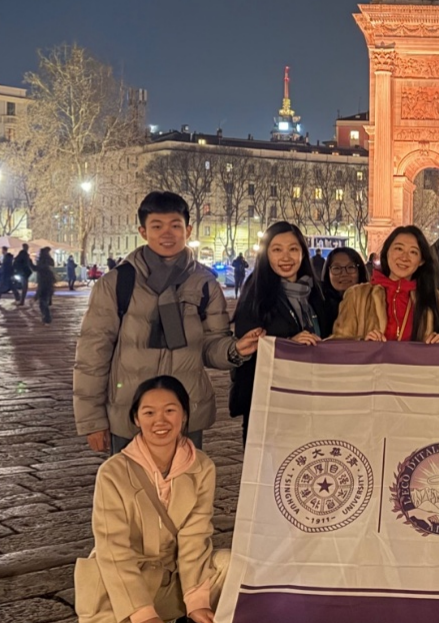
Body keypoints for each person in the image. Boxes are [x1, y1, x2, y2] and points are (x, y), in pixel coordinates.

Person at [74, 375, 241, 623]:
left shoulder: (202, 467)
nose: (160, 421)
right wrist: (141, 612)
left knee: (233, 564)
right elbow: (113, 549)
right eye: (149, 412)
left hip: (173, 576)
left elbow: (195, 537)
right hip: (124, 582)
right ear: (136, 419)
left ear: (184, 415)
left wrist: (197, 602)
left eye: (170, 410)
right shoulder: (113, 472)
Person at [74, 191, 264, 455]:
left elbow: (210, 345)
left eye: (175, 226)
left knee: (186, 481)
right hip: (131, 412)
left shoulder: (205, 284)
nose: (167, 234)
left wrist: (235, 350)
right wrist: (92, 420)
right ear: (143, 231)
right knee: (130, 482)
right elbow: (93, 353)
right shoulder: (118, 283)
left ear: (188, 230)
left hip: (184, 412)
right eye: (157, 226)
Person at [230, 222, 325, 444]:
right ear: (266, 254)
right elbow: (249, 349)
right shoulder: (255, 294)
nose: (286, 257)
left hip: (312, 399)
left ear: (303, 253)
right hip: (269, 401)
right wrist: (288, 345)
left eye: (293, 249)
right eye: (277, 249)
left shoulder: (316, 293)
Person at [332, 226, 439, 342]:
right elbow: (338, 343)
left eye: (413, 252)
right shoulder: (356, 295)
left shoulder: (434, 299)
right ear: (386, 252)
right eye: (399, 249)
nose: (404, 257)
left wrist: (438, 345)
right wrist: (363, 343)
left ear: (421, 261)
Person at [317, 246, 369, 338]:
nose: (344, 273)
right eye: (336, 268)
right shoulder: (316, 306)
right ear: (327, 272)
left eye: (350, 267)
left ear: (359, 271)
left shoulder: (370, 302)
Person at [35, 247, 56, 325]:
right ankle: (46, 316)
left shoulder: (42, 261)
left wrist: (30, 263)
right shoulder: (49, 260)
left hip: (44, 282)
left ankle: (47, 317)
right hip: (48, 282)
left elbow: (37, 268)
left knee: (42, 301)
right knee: (44, 300)